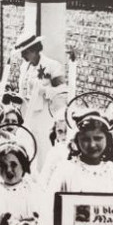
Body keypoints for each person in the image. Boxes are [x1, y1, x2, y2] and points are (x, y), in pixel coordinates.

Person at [14, 32, 67, 172]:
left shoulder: (52, 66)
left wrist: (43, 90)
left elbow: (62, 90)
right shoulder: (24, 67)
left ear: (34, 50)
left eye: (25, 52)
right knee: (27, 145)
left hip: (43, 115)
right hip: (26, 114)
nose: (22, 56)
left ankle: (45, 177)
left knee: (43, 147)